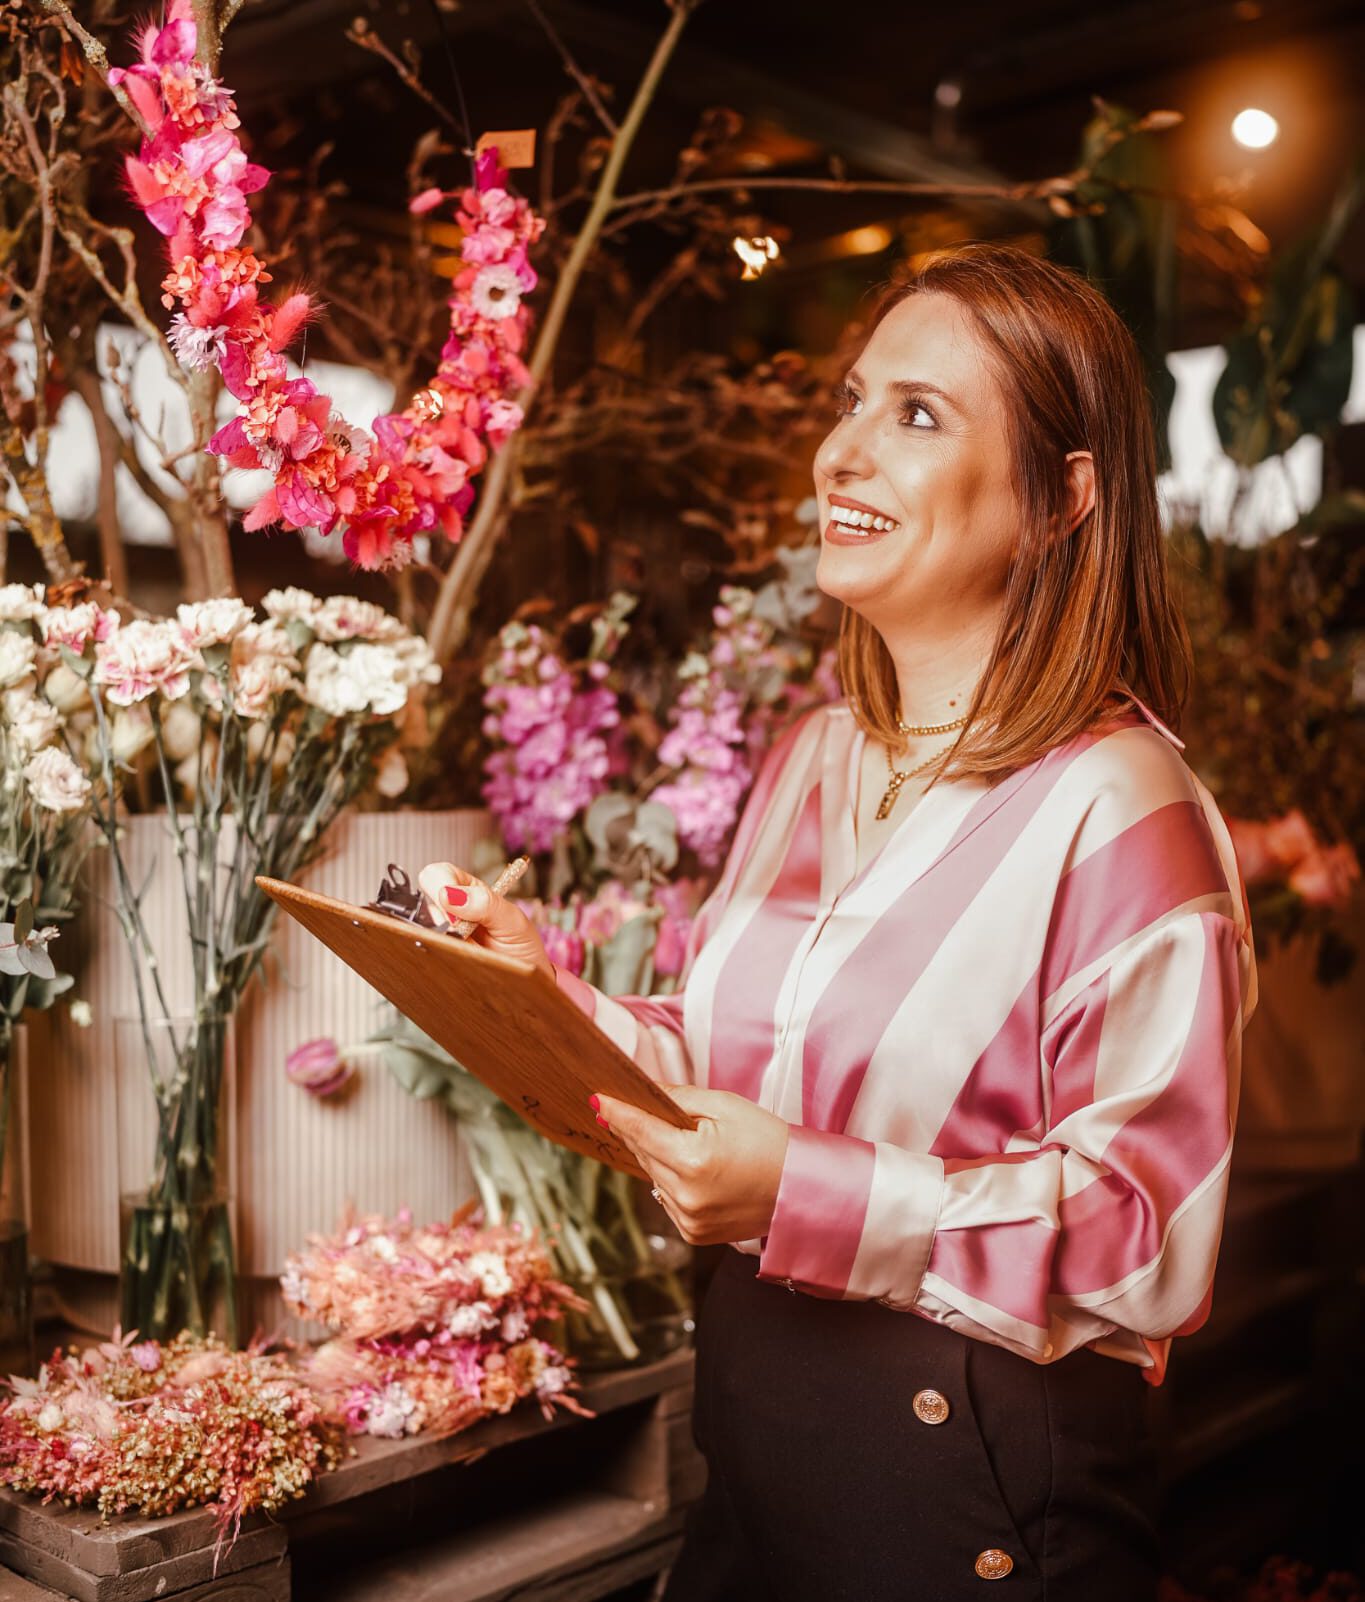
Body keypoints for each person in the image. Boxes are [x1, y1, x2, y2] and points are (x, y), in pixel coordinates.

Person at [420, 242, 1257, 1601]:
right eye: (851, 401)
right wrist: (539, 991)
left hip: (964, 1483)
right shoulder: (813, 754)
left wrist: (800, 1189)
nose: (840, 453)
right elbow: (735, 1062)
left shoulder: (1124, 801)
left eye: (915, 415)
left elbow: (1144, 1235)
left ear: (1062, 496)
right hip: (753, 1444)